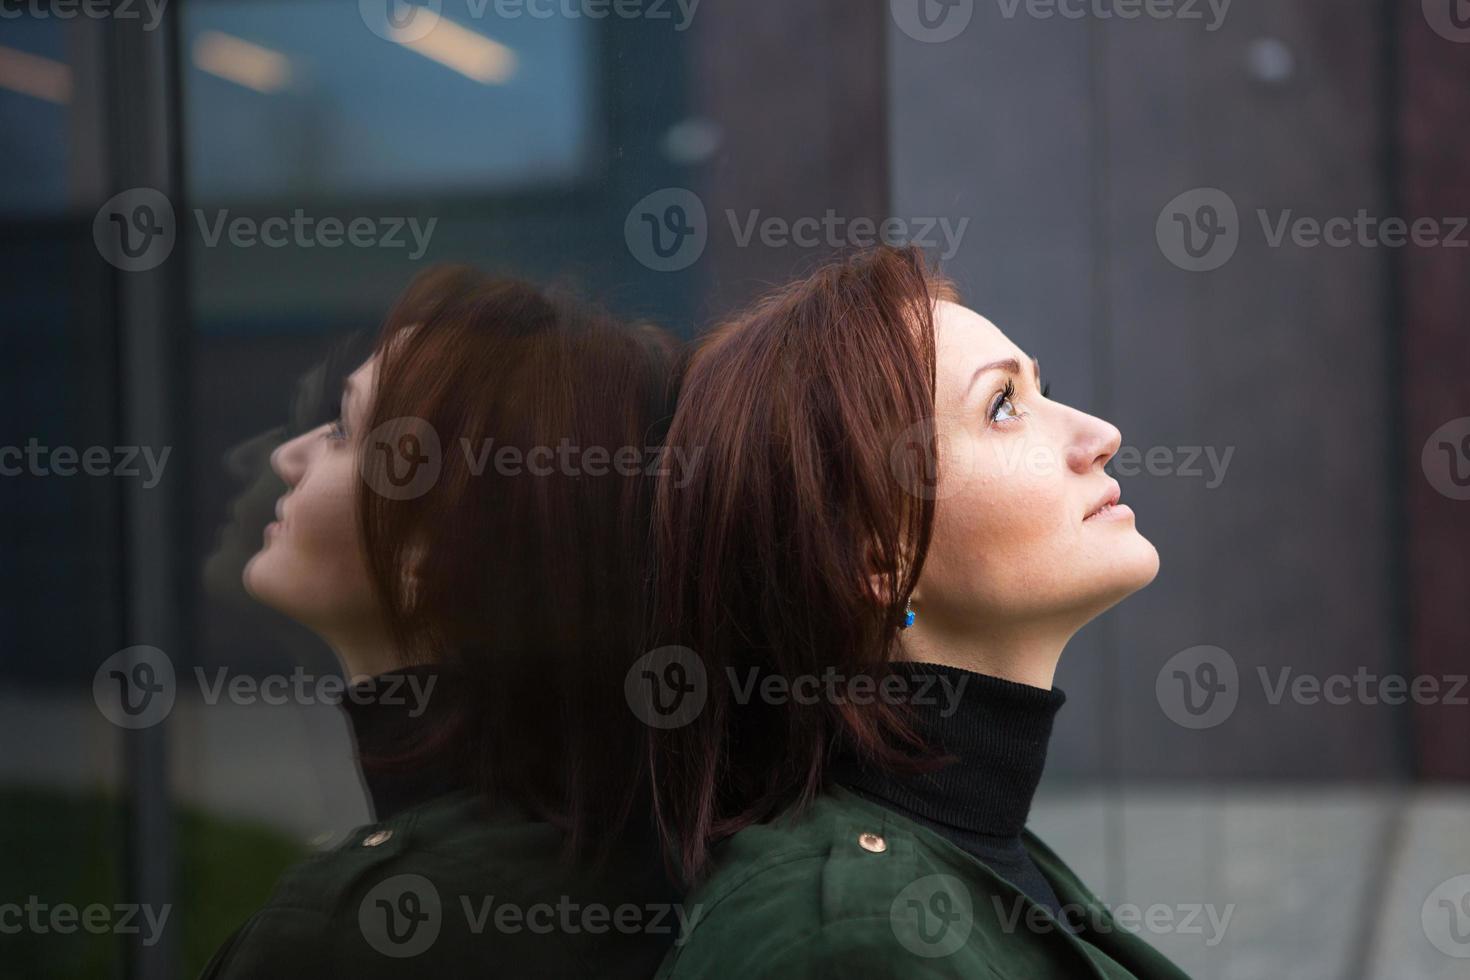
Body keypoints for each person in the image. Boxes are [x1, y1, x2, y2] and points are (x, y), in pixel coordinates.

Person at [647, 245, 1190, 977]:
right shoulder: (851, 936)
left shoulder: (987, 853)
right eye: (1004, 407)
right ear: (876, 560)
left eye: (1041, 389)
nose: (1099, 435)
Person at [202, 266, 687, 978]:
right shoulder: (643, 862)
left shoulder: (352, 938)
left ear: (436, 545)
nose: (287, 454)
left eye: (343, 430)